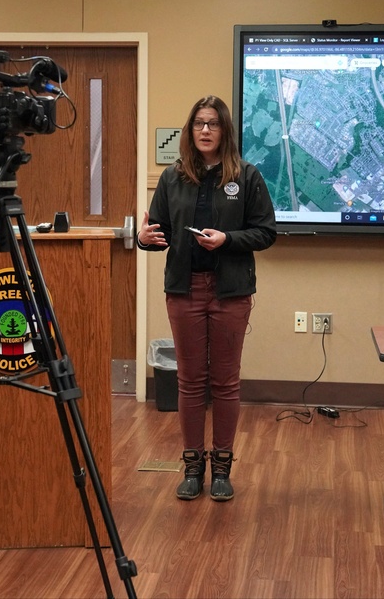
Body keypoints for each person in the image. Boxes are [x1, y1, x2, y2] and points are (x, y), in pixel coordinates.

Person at [137, 95, 276, 501]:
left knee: (225, 382)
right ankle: (192, 468)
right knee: (191, 381)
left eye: (213, 124)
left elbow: (265, 232)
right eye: (198, 123)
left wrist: (227, 240)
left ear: (225, 131)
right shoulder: (172, 178)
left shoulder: (247, 177)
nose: (205, 131)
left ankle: (222, 469)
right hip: (184, 290)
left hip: (230, 292)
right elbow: (155, 234)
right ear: (189, 129)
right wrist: (144, 239)